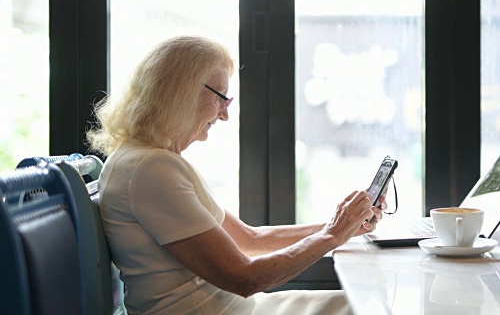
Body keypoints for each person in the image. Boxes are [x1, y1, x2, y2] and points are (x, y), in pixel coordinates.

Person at [87, 35, 387, 315]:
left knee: (364, 303)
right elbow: (244, 278)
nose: (224, 114)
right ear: (182, 92)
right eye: (221, 98)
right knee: (371, 306)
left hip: (235, 309)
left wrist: (344, 226)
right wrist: (334, 234)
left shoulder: (145, 160)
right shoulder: (151, 170)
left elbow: (249, 238)